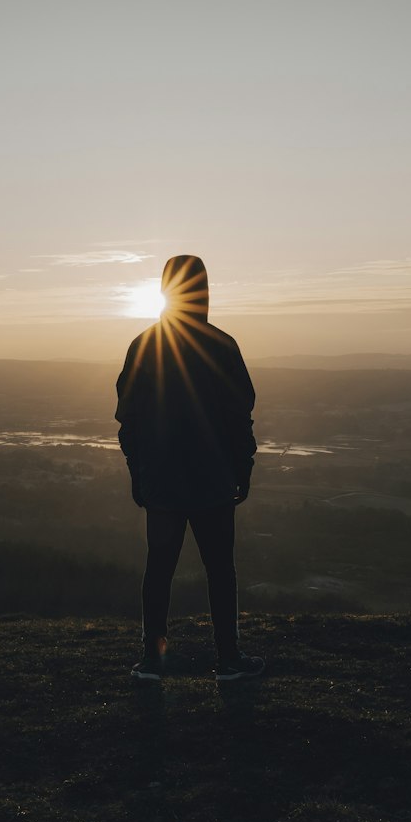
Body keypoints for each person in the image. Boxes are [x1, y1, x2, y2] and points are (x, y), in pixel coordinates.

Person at [115, 253, 264, 685]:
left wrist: (137, 473)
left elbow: (129, 419)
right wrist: (244, 467)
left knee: (159, 567)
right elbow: (240, 416)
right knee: (220, 569)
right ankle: (230, 659)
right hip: (214, 479)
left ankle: (152, 660)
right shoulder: (222, 345)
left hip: (162, 479)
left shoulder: (143, 345)